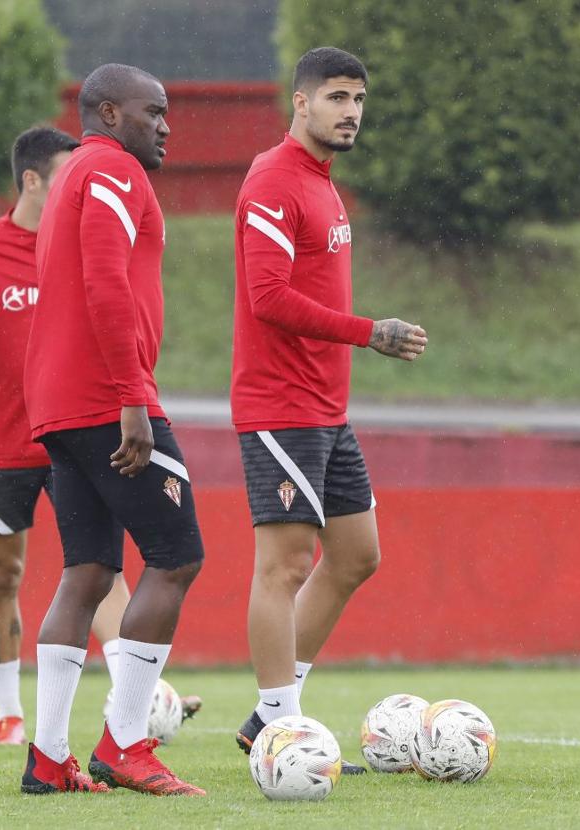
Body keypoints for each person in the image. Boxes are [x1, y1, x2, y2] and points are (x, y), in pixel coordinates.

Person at [230, 47, 428, 772]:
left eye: (359, 98)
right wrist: (367, 332)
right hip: (280, 406)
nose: (351, 111)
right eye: (337, 97)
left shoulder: (320, 182)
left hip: (325, 407)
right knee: (284, 564)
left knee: (355, 557)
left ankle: (268, 716)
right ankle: (284, 725)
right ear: (301, 102)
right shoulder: (275, 181)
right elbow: (267, 298)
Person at [19, 63, 205, 797]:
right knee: (177, 555)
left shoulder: (70, 177)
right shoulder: (114, 172)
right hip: (107, 400)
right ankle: (126, 743)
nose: (165, 124)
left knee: (89, 572)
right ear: (107, 112)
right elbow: (104, 281)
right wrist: (134, 396)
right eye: (152, 110)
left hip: (62, 405)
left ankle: (47, 757)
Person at [0, 127, 136, 747]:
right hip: (3, 445)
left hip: (76, 434)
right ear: (33, 180)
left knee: (102, 568)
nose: (79, 186)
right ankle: (8, 712)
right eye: (68, 174)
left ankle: (133, 699)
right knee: (4, 572)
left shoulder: (83, 247)